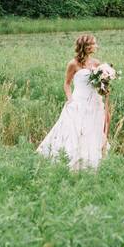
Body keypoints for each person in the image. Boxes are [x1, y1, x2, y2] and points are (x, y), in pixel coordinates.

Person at [36, 33, 110, 170]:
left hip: (94, 102)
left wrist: (105, 88)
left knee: (91, 131)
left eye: (95, 43)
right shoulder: (73, 64)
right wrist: (70, 99)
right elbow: (67, 84)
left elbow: (99, 85)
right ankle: (70, 162)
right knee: (74, 132)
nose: (95, 46)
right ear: (85, 46)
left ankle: (90, 162)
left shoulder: (97, 63)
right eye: (93, 44)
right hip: (78, 102)